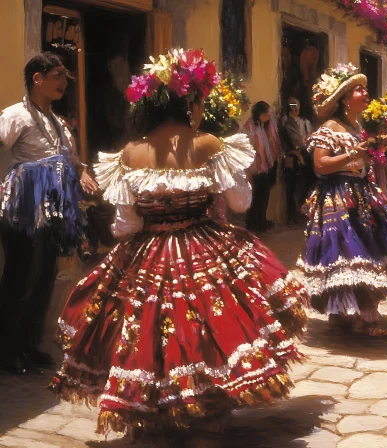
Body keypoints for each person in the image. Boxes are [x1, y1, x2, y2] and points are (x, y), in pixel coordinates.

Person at [50, 49, 309, 443]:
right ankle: (206, 414)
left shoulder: (130, 154)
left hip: (146, 251)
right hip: (206, 242)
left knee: (149, 331)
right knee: (209, 327)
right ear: (188, 101)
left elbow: (125, 225)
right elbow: (241, 203)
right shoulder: (208, 143)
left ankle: (157, 408)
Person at [300, 63, 387, 337]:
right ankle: (364, 318)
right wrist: (352, 155)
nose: (365, 94)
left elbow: (358, 160)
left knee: (359, 252)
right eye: (359, 90)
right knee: (348, 252)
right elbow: (320, 165)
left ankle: (343, 314)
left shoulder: (357, 126)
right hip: (338, 197)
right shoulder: (330, 127)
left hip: (360, 192)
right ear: (344, 98)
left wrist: (370, 152)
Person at [0, 52, 98, 374]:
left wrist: (82, 172)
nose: (63, 82)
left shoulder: (58, 123)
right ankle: (7, 351)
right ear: (37, 79)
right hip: (23, 210)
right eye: (56, 75)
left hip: (53, 210)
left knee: (44, 278)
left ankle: (30, 346)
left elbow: (71, 159)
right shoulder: (15, 115)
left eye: (64, 77)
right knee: (19, 277)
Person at [243, 101, 280, 232]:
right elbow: (248, 147)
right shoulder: (249, 126)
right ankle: (252, 224)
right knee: (254, 198)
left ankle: (261, 222)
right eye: (266, 114)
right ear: (260, 113)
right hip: (254, 168)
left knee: (264, 197)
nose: (268, 116)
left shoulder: (262, 126)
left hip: (265, 166)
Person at [280, 97, 313, 225]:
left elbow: (310, 137)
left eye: (297, 106)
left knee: (306, 186)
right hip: (292, 156)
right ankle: (291, 215)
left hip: (306, 155)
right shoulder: (285, 122)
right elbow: (282, 140)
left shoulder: (305, 122)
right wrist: (292, 152)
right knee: (291, 187)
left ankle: (305, 213)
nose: (295, 108)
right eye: (293, 106)